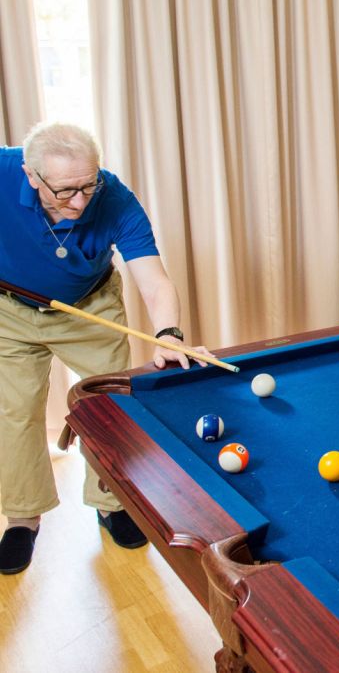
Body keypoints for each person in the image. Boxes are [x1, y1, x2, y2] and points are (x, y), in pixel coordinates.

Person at [0, 122, 210, 575]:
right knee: (15, 412)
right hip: (10, 312)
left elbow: (154, 281)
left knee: (108, 406)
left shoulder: (113, 197)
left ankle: (110, 502)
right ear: (32, 176)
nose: (79, 201)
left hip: (89, 306)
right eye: (65, 191)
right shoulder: (2, 172)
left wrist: (169, 334)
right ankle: (22, 517)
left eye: (88, 185)